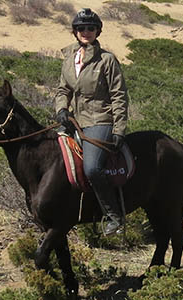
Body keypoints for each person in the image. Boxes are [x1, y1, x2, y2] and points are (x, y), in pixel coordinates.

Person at [55, 8, 129, 235]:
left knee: (92, 168)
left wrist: (118, 129)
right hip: (74, 120)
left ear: (97, 31)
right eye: (81, 28)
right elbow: (62, 90)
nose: (86, 32)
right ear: (75, 32)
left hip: (100, 120)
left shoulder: (107, 60)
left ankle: (113, 215)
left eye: (90, 28)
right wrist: (61, 110)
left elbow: (119, 95)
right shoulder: (68, 59)